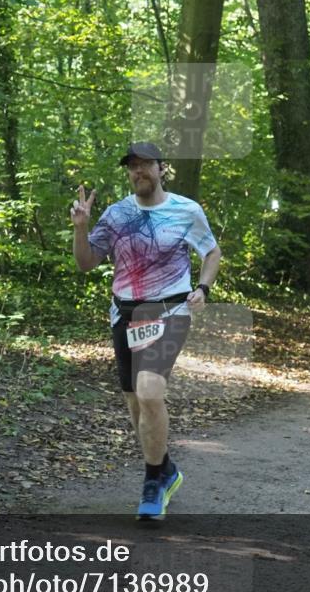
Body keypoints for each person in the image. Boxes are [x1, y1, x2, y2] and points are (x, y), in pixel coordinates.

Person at [71, 141, 221, 519]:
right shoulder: (117, 214)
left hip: (169, 311)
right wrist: (81, 227)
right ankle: (166, 468)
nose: (138, 172)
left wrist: (202, 287)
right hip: (124, 316)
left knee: (150, 391)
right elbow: (86, 263)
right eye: (132, 166)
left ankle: (152, 482)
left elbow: (211, 252)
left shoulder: (186, 210)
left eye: (145, 165)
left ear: (161, 168)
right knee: (136, 405)